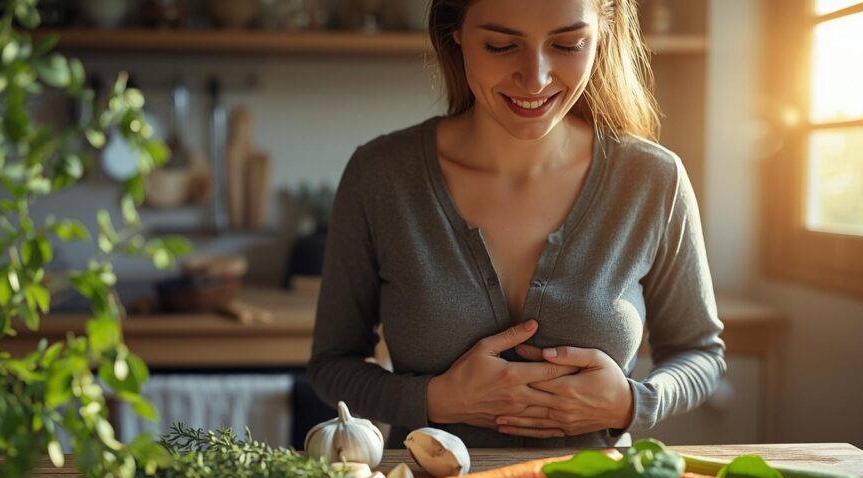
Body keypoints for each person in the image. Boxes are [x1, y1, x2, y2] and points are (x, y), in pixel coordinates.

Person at [308, 0, 725, 449]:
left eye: (568, 44)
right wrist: (434, 399)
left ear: (601, 35)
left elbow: (699, 354)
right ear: (457, 35)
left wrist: (632, 401)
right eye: (501, 45)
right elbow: (332, 365)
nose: (536, 77)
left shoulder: (653, 178)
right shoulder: (380, 176)